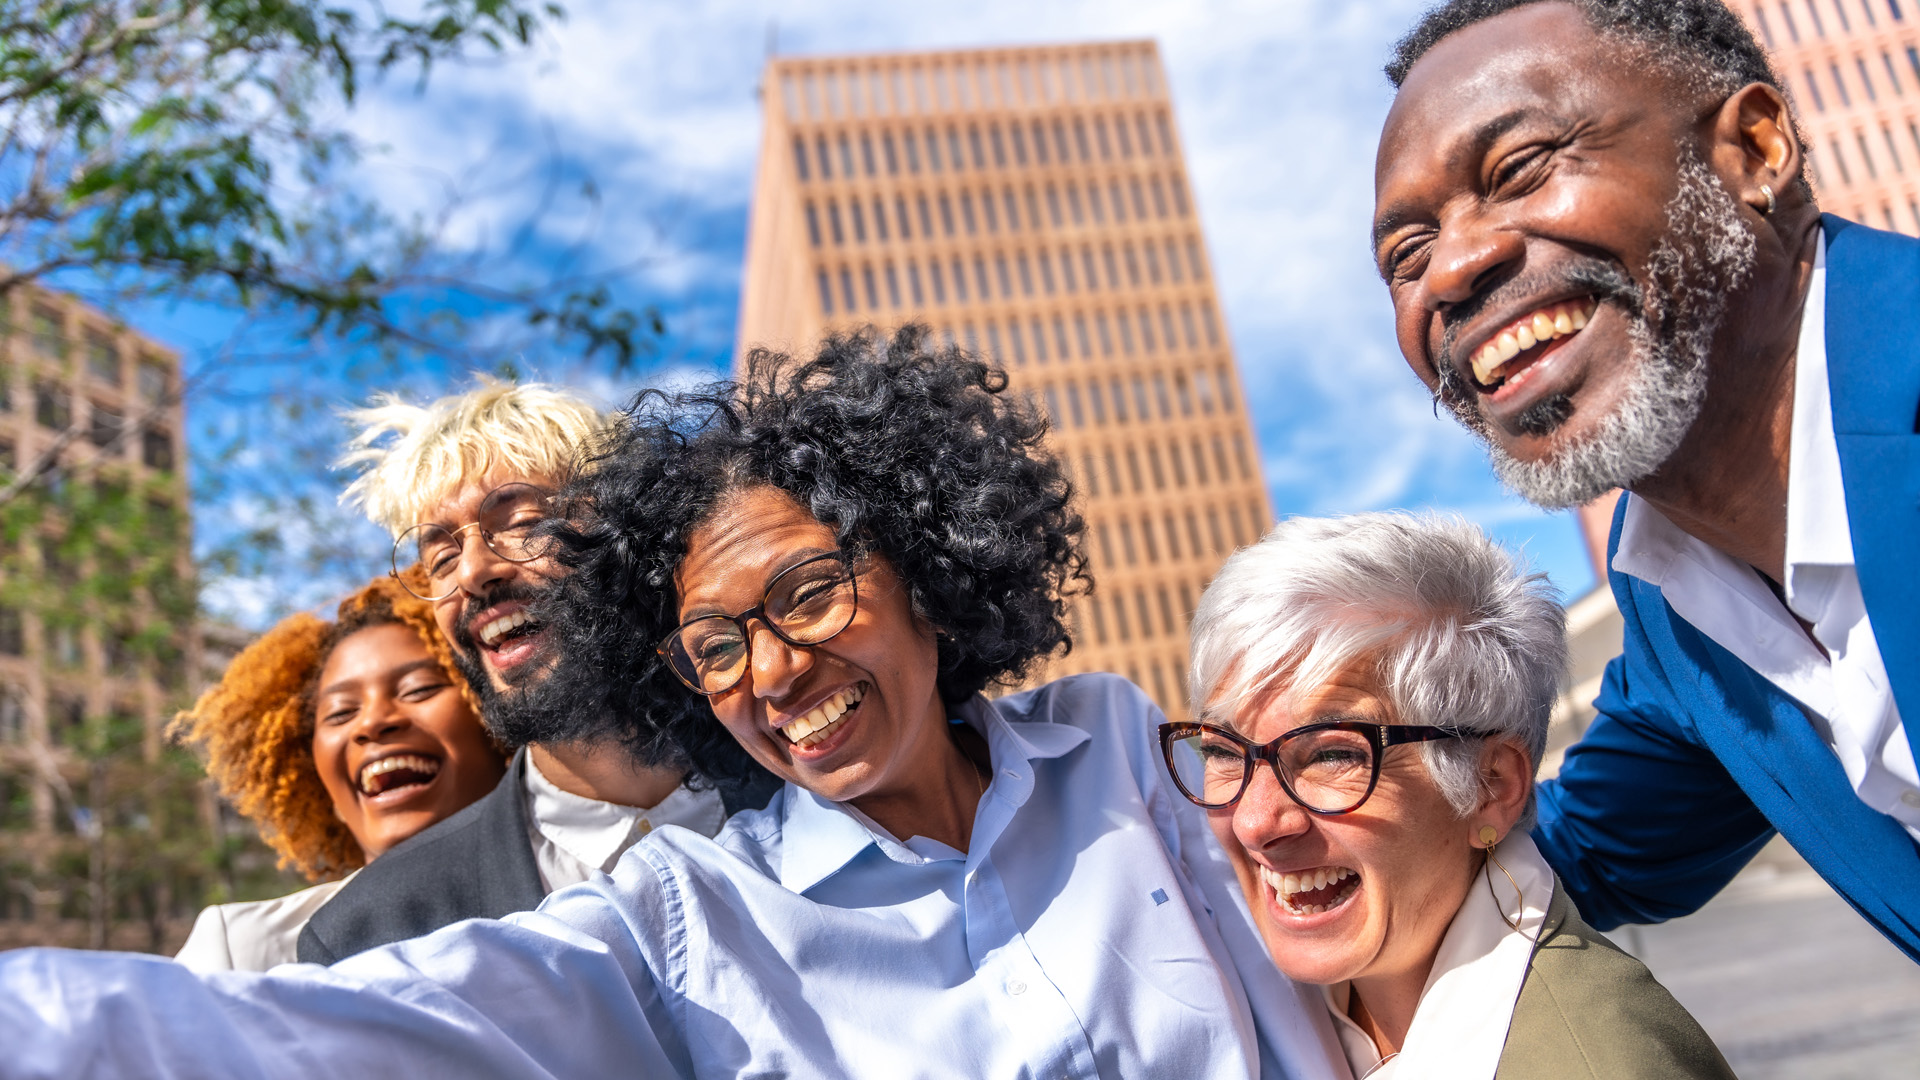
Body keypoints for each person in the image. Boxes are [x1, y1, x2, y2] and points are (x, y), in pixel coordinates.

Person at [0, 328, 1345, 1080]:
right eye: (715, 641)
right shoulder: (693, 915)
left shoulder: (1125, 749)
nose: (770, 671)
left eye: (809, 595)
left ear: (929, 569)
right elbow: (335, 1036)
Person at [1372, 0, 1920, 960]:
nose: (1454, 267)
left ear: (1753, 150)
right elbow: (1577, 856)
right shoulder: (1671, 607)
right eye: (1406, 257)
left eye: (1520, 170)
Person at [1171, 513, 1734, 1078]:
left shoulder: (1597, 1062)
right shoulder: (1282, 1017)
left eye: (1332, 754)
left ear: (1491, 786)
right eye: (1223, 751)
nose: (1255, 821)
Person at [298, 379, 775, 964]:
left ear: (626, 534)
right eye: (440, 558)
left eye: (521, 522)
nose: (473, 571)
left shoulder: (826, 795)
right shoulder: (368, 936)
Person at [170, 574, 506, 971]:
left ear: (497, 719)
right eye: (341, 712)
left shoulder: (583, 886)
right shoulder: (246, 954)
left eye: (418, 689)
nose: (372, 723)